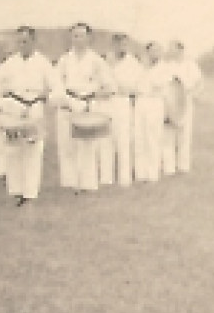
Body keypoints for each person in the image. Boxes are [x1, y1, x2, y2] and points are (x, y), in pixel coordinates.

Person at [0, 27, 60, 205]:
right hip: (14, 108)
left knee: (33, 150)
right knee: (13, 149)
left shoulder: (43, 63)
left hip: (34, 108)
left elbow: (57, 88)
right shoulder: (9, 63)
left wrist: (46, 98)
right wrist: (3, 98)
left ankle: (30, 192)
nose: (21, 45)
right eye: (19, 41)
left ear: (33, 42)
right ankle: (16, 189)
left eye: (25, 41)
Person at [54, 23, 115, 193]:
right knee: (66, 144)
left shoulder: (97, 61)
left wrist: (93, 97)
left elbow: (109, 86)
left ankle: (88, 183)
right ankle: (70, 182)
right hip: (68, 104)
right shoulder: (64, 60)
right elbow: (56, 83)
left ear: (89, 38)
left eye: (81, 35)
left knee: (87, 145)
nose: (78, 39)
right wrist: (65, 99)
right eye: (74, 36)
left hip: (88, 105)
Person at [99, 33, 143, 188]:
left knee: (123, 140)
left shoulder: (133, 64)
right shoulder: (105, 61)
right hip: (106, 103)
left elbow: (137, 87)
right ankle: (106, 178)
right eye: (119, 44)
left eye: (125, 44)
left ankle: (124, 178)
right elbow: (100, 82)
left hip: (123, 102)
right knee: (105, 140)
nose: (122, 47)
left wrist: (122, 88)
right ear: (113, 44)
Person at [163, 40, 205, 173]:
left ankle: (183, 166)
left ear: (180, 50)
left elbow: (200, 83)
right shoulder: (166, 65)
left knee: (184, 134)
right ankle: (169, 167)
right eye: (169, 48)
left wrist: (194, 94)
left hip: (186, 100)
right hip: (169, 101)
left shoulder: (190, 65)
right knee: (168, 134)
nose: (170, 51)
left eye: (173, 48)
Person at [133, 41, 167, 182]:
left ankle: (153, 173)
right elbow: (135, 85)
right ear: (147, 52)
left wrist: (147, 73)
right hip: (141, 101)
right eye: (152, 51)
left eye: (157, 51)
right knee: (139, 137)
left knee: (153, 137)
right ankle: (140, 173)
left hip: (155, 102)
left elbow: (158, 85)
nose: (155, 54)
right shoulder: (140, 67)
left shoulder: (164, 68)